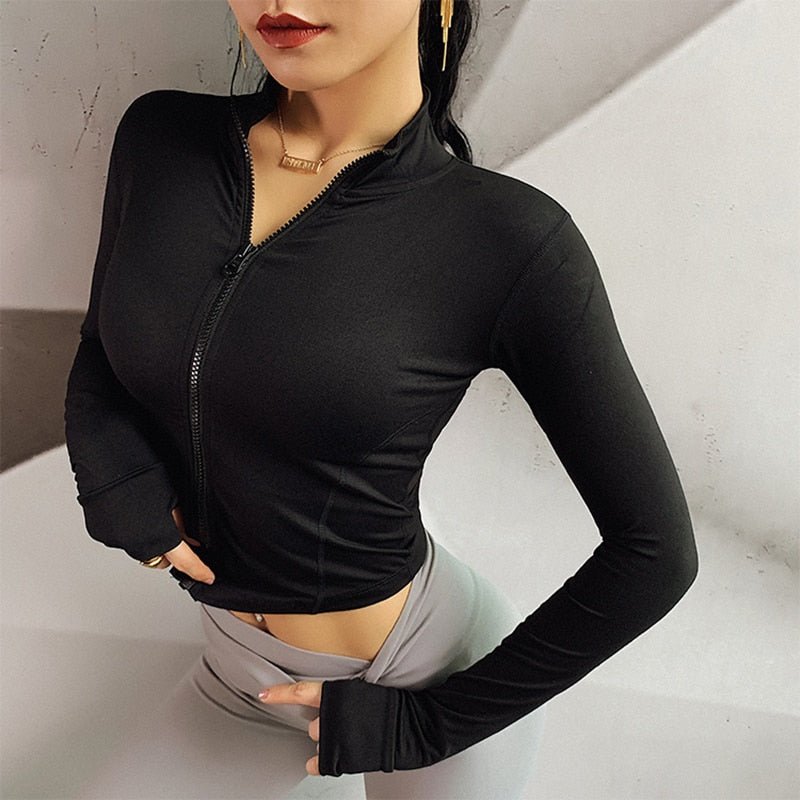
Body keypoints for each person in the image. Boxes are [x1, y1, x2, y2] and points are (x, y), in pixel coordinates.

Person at [63, 1, 699, 798]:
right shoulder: (161, 140)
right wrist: (112, 478)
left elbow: (655, 552)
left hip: (425, 669)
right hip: (235, 670)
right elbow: (104, 343)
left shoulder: (508, 236)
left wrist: (430, 726)